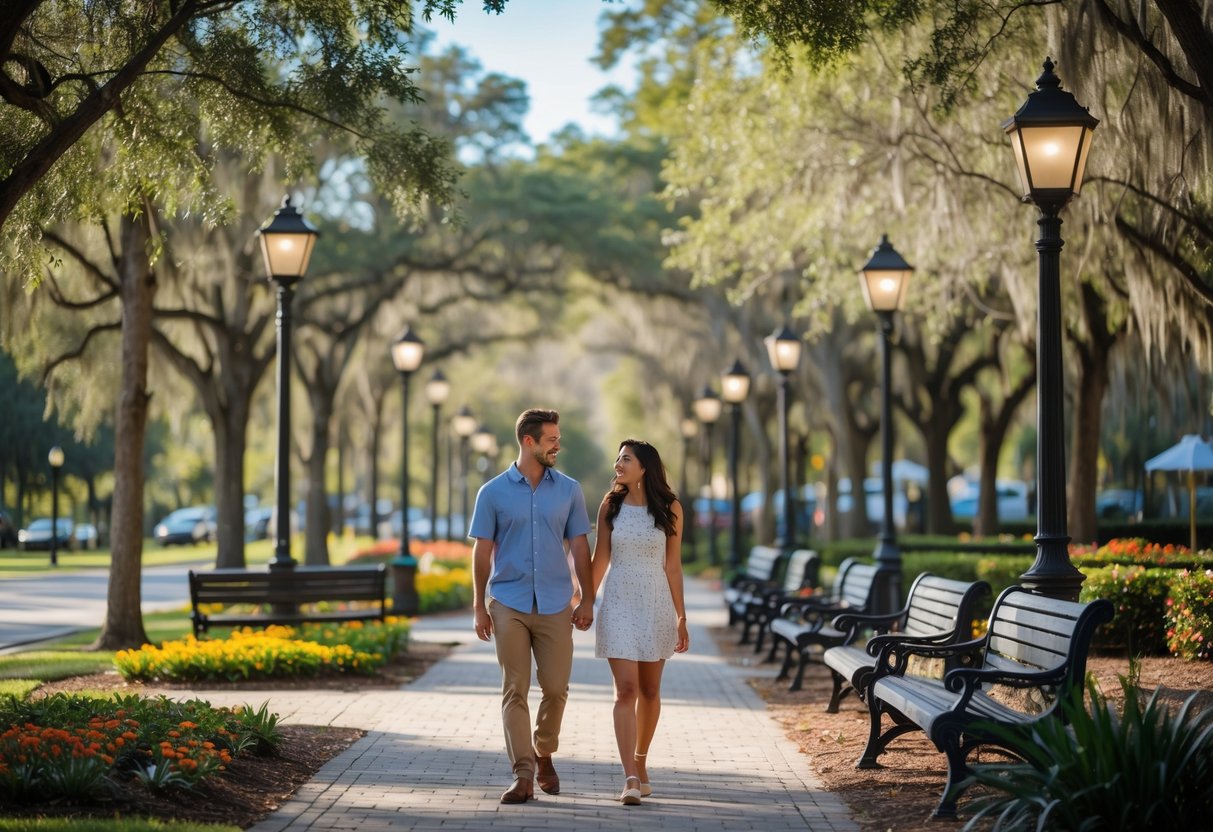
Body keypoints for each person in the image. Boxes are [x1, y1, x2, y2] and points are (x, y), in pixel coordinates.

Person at [470, 408, 595, 805]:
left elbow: (579, 546)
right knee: (515, 690)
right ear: (529, 441)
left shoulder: (570, 490)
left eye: (557, 438)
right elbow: (482, 551)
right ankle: (523, 774)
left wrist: (587, 597)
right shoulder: (491, 492)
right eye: (551, 439)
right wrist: (478, 605)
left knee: (556, 688)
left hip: (557, 602)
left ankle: (544, 751)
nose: (558, 445)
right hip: (508, 600)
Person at [591, 439, 689, 806]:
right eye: (617, 458)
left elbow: (673, 566)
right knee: (626, 690)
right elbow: (600, 559)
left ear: (644, 467)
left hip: (656, 604)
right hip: (617, 603)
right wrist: (584, 600)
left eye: (626, 459)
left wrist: (681, 616)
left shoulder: (670, 508)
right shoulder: (610, 506)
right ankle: (629, 774)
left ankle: (642, 761)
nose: (618, 464)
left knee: (649, 691)